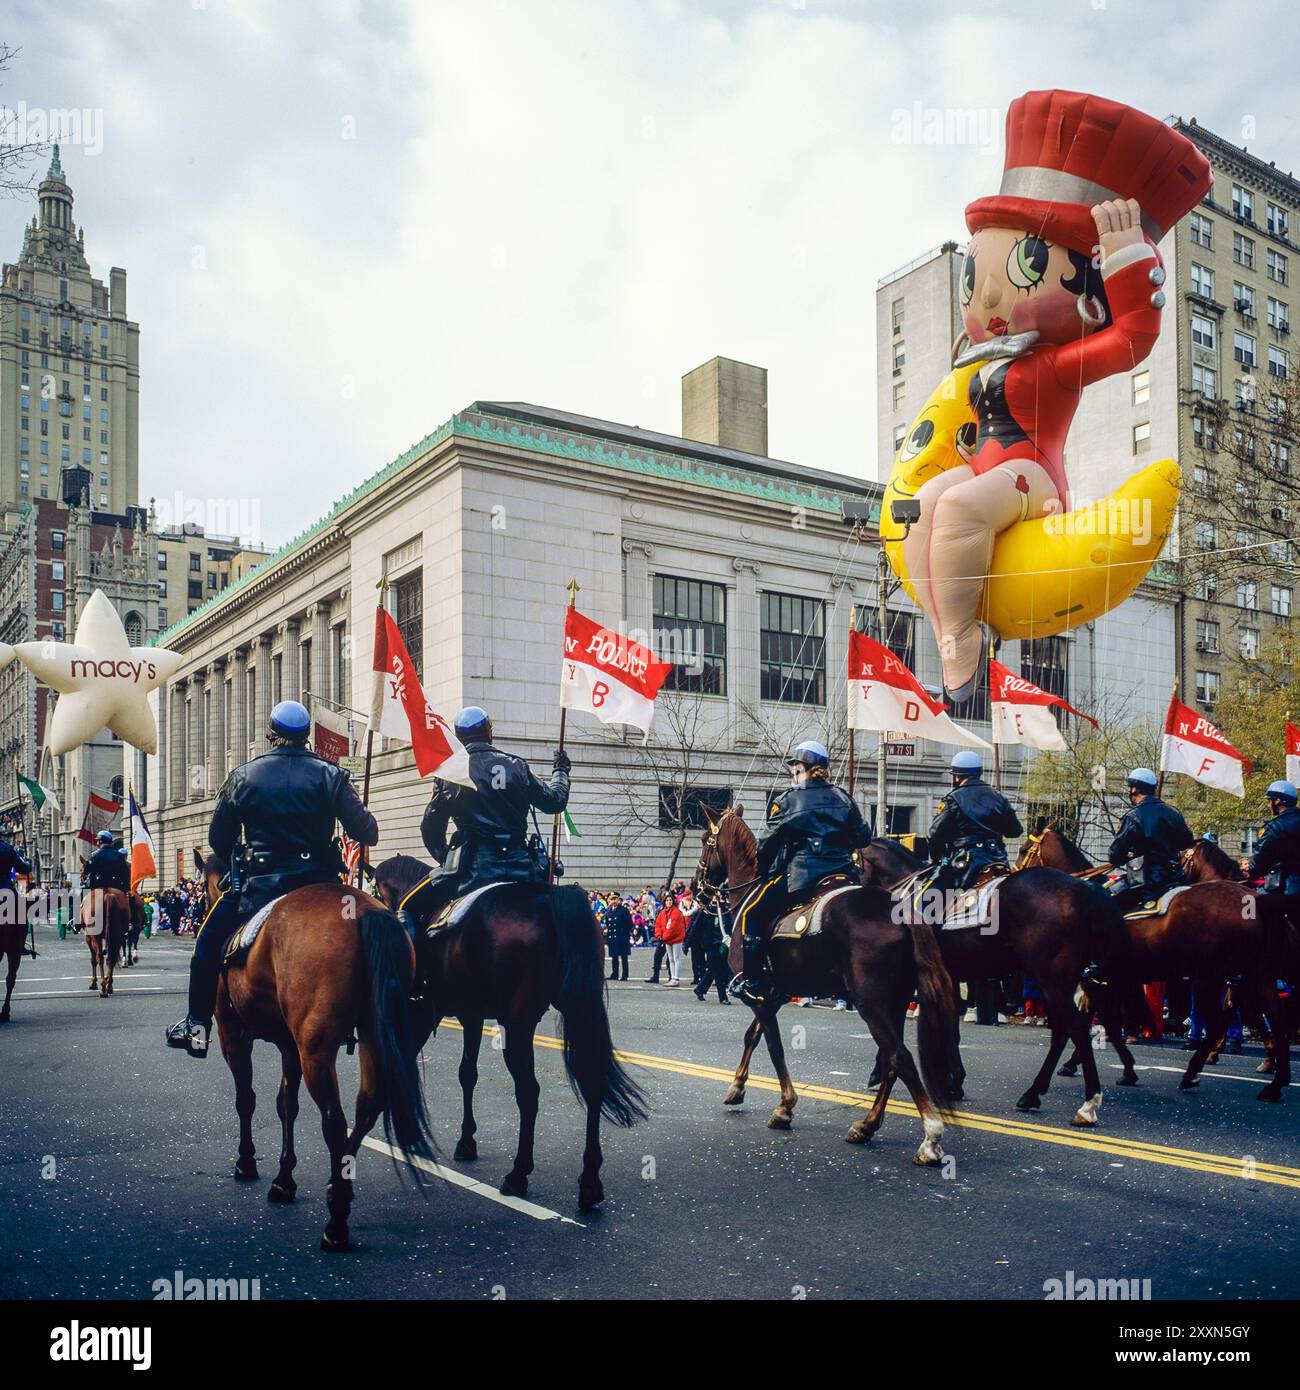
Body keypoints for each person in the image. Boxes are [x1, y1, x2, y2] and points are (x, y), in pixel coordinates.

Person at [165, 700, 378, 1058]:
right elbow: (367, 832)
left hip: (259, 887)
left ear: (271, 734)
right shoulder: (331, 774)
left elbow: (219, 840)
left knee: (206, 945)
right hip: (323, 885)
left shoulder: (245, 776)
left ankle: (196, 1024)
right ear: (306, 736)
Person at [730, 739, 871, 1008]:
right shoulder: (844, 797)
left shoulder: (787, 800)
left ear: (803, 769)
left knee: (752, 913)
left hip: (803, 877)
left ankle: (752, 981)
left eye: (795, 769)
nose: (793, 775)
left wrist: (765, 868)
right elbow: (863, 837)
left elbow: (767, 845)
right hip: (844, 876)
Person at [413, 706, 570, 928]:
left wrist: (446, 858)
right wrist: (560, 771)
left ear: (458, 737)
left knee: (409, 907)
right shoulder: (516, 766)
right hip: (522, 866)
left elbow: (430, 828)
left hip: (473, 869)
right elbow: (554, 801)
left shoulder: (451, 773)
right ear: (489, 733)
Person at [928, 751, 1022, 895]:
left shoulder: (953, 799)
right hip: (998, 861)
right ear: (979, 773)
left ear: (957, 776)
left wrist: (938, 861)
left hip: (965, 865)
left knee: (927, 901)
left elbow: (934, 835)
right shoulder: (999, 797)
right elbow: (1015, 831)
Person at [1106, 768, 1195, 916]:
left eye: (1130, 787)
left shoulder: (1133, 817)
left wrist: (1129, 854)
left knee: (1104, 902)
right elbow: (1186, 842)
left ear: (1134, 789)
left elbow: (1115, 856)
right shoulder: (1173, 812)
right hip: (1176, 879)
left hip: (1146, 884)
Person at [1248, 780, 1300, 921]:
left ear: (1278, 801)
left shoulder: (1274, 828)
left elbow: (1256, 868)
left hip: (1286, 891)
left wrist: (1250, 869)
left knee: (1246, 904)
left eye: (1269, 801)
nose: (1268, 805)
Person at [83, 829, 130, 893]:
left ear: (100, 841)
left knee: (84, 900)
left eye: (97, 840)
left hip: (97, 888)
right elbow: (125, 872)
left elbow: (86, 872)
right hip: (118, 888)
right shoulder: (119, 856)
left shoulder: (93, 855)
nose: (97, 843)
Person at [606, 896, 633, 981]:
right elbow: (607, 922)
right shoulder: (609, 910)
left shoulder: (623, 910)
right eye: (612, 899)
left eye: (615, 899)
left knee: (624, 957)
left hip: (622, 937)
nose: (614, 901)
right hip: (612, 937)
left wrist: (625, 934)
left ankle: (625, 975)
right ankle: (615, 974)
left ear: (618, 900)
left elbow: (629, 923)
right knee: (614, 957)